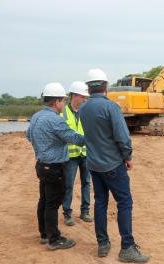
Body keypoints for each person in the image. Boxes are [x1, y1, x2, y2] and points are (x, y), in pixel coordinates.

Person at [80, 69, 150, 262]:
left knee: (100, 203)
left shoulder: (83, 108)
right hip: (112, 165)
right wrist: (127, 156)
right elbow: (122, 136)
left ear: (88, 87)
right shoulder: (111, 107)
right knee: (124, 203)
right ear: (105, 86)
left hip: (93, 165)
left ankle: (103, 244)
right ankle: (127, 247)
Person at [27, 83, 85, 250]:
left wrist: (43, 145)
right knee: (52, 203)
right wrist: (95, 137)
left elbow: (28, 135)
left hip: (42, 165)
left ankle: (44, 234)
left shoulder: (36, 116)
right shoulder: (55, 120)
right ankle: (54, 239)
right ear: (57, 101)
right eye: (63, 101)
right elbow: (76, 139)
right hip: (54, 167)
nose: (64, 104)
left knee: (44, 200)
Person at [61, 81, 92, 226]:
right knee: (68, 185)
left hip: (86, 154)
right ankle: (67, 213)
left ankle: (85, 211)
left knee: (86, 182)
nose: (85, 100)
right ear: (74, 96)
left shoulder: (87, 111)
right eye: (83, 97)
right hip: (70, 156)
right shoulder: (63, 112)